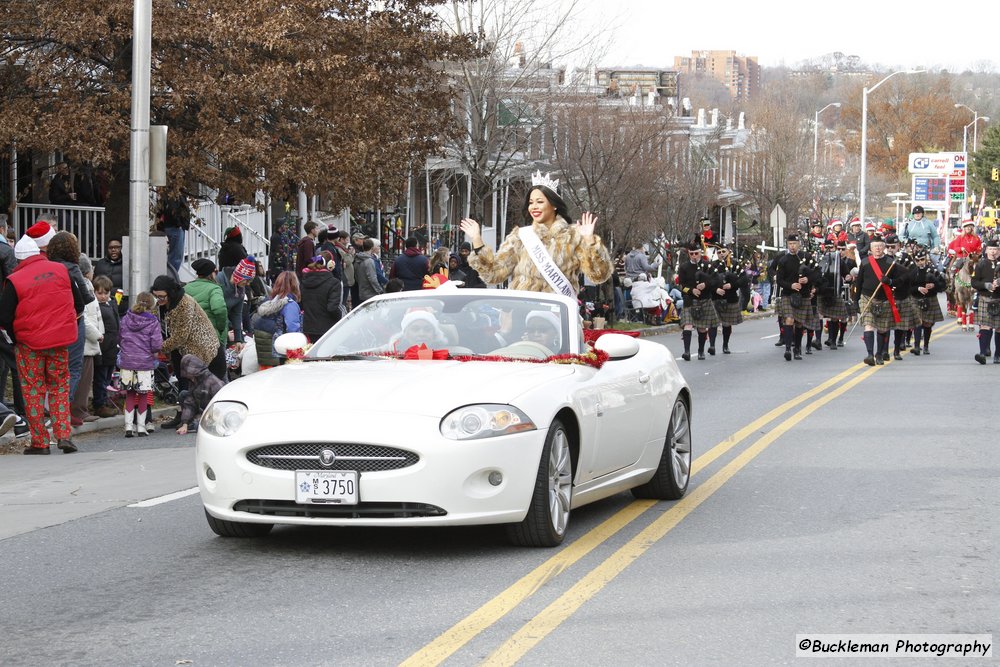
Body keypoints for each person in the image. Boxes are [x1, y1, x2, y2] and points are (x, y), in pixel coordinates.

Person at [0, 233, 84, 454]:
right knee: (59, 387)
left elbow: (4, 316)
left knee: (33, 390)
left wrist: (15, 337)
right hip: (59, 341)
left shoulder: (15, 280)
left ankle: (40, 442)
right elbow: (79, 303)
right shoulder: (62, 270)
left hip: (29, 344)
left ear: (18, 259)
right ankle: (64, 435)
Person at [459, 174, 612, 295]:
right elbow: (493, 275)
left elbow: (599, 275)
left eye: (540, 201)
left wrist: (590, 241)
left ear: (553, 205)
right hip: (521, 316)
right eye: (531, 202)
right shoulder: (520, 237)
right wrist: (477, 240)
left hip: (557, 318)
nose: (534, 207)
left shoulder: (574, 237)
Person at [46, 231, 97, 400]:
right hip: (72, 319)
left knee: (52, 367)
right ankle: (61, 406)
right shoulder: (72, 267)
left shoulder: (46, 266)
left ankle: (48, 403)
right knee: (73, 367)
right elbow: (85, 297)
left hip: (49, 321)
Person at [151, 274, 226, 382]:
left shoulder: (184, 303)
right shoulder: (158, 303)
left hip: (204, 352)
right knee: (184, 386)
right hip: (179, 351)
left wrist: (156, 348)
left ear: (171, 293)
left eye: (162, 296)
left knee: (205, 390)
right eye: (156, 296)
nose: (158, 300)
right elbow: (151, 320)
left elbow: (180, 336)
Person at [117, 292, 163, 436]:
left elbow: (120, 338)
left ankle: (129, 427)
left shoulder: (125, 319)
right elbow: (156, 345)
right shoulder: (153, 322)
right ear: (152, 306)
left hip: (127, 362)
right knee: (143, 395)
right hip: (145, 363)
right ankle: (142, 427)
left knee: (130, 395)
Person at [853, 238, 897, 366]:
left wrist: (890, 282)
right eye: (875, 246)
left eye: (879, 246)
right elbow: (859, 282)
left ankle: (879, 354)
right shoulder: (865, 262)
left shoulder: (890, 262)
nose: (877, 248)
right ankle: (870, 354)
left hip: (884, 299)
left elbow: (900, 280)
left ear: (884, 247)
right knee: (869, 325)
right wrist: (855, 300)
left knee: (882, 329)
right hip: (867, 297)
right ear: (870, 249)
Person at [70, 259, 104, 425]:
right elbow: (83, 316)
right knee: (83, 379)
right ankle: (79, 411)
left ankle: (80, 409)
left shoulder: (86, 286)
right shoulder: (84, 288)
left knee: (85, 378)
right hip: (85, 341)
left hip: (87, 341)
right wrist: (97, 334)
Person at [773, 234, 816, 361]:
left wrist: (808, 279)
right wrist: (791, 285)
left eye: (795, 243)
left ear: (799, 244)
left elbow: (817, 274)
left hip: (803, 295)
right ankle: (787, 349)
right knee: (789, 319)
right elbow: (779, 280)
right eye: (790, 244)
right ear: (787, 244)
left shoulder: (807, 257)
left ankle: (797, 349)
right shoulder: (783, 260)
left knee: (799, 323)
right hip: (787, 294)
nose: (792, 246)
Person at [676, 244, 720, 361]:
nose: (694, 256)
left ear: (700, 253)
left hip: (704, 299)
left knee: (701, 328)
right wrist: (691, 290)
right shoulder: (684, 267)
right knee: (688, 325)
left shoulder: (708, 265)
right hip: (690, 300)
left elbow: (716, 280)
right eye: (691, 254)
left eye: (696, 253)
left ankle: (701, 351)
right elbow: (681, 285)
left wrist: (705, 284)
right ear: (688, 254)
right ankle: (687, 352)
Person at [251, 271, 302, 369]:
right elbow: (293, 330)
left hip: (264, 356)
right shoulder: (289, 304)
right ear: (295, 285)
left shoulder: (268, 302)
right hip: (280, 356)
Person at [174, 354, 225, 435]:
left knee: (197, 425)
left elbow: (222, 406)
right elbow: (189, 403)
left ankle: (197, 422)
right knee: (183, 394)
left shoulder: (214, 382)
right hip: (201, 411)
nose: (189, 378)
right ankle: (190, 422)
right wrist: (185, 423)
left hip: (213, 414)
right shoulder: (193, 381)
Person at [92, 275, 120, 418]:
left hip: (111, 348)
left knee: (107, 377)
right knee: (100, 378)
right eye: (100, 293)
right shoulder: (96, 307)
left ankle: (104, 401)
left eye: (106, 293)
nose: (103, 296)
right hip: (103, 348)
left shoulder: (111, 303)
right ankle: (99, 404)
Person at [709, 244, 746, 354]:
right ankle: (712, 346)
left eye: (723, 251)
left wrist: (732, 285)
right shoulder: (712, 266)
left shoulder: (735, 264)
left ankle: (725, 345)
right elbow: (707, 281)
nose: (721, 254)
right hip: (715, 298)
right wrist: (715, 289)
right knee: (713, 323)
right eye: (719, 252)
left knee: (726, 324)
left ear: (728, 252)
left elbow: (744, 279)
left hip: (730, 298)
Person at [184, 258, 229, 348]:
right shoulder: (214, 289)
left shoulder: (185, 288)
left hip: (190, 337)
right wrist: (220, 328)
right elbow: (219, 309)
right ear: (211, 273)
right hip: (210, 336)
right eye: (215, 271)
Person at [909, 248, 946, 356]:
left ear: (925, 259)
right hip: (916, 299)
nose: (920, 262)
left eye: (922, 259)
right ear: (915, 261)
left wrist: (934, 285)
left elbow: (943, 285)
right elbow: (908, 288)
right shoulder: (912, 272)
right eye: (918, 260)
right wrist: (918, 288)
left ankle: (925, 346)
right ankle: (916, 346)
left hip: (930, 299)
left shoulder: (933, 271)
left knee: (927, 324)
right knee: (918, 323)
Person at [300, 253, 342, 342]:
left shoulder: (304, 281)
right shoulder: (334, 283)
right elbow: (332, 308)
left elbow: (301, 305)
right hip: (328, 327)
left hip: (309, 327)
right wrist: (340, 316)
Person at [216, 256, 256, 348]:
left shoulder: (241, 289)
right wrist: (226, 334)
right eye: (247, 280)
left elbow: (237, 313)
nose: (248, 284)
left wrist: (238, 339)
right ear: (239, 276)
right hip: (214, 323)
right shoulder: (219, 281)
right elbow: (217, 310)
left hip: (225, 325)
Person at [971, 239, 1000, 365]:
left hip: (999, 298)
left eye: (995, 249)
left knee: (999, 328)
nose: (993, 252)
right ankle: (982, 354)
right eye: (991, 249)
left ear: (998, 251)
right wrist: (986, 285)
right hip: (985, 297)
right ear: (986, 250)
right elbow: (974, 282)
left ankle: (998, 355)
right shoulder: (981, 264)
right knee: (985, 326)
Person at [155, 192, 191, 277]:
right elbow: (172, 210)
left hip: (170, 227)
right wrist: (179, 223)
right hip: (174, 228)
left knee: (172, 255)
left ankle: (170, 277)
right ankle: (171, 278)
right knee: (176, 256)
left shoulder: (165, 195)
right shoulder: (174, 195)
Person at [93, 238, 125, 311]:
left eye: (117, 247)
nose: (113, 250)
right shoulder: (100, 264)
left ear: (121, 248)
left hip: (122, 306)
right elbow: (94, 284)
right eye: (111, 248)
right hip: (102, 306)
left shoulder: (126, 264)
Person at [354, 238, 384, 304]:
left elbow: (356, 276)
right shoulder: (369, 261)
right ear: (372, 248)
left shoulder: (357, 259)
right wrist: (380, 290)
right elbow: (372, 278)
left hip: (362, 290)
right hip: (371, 293)